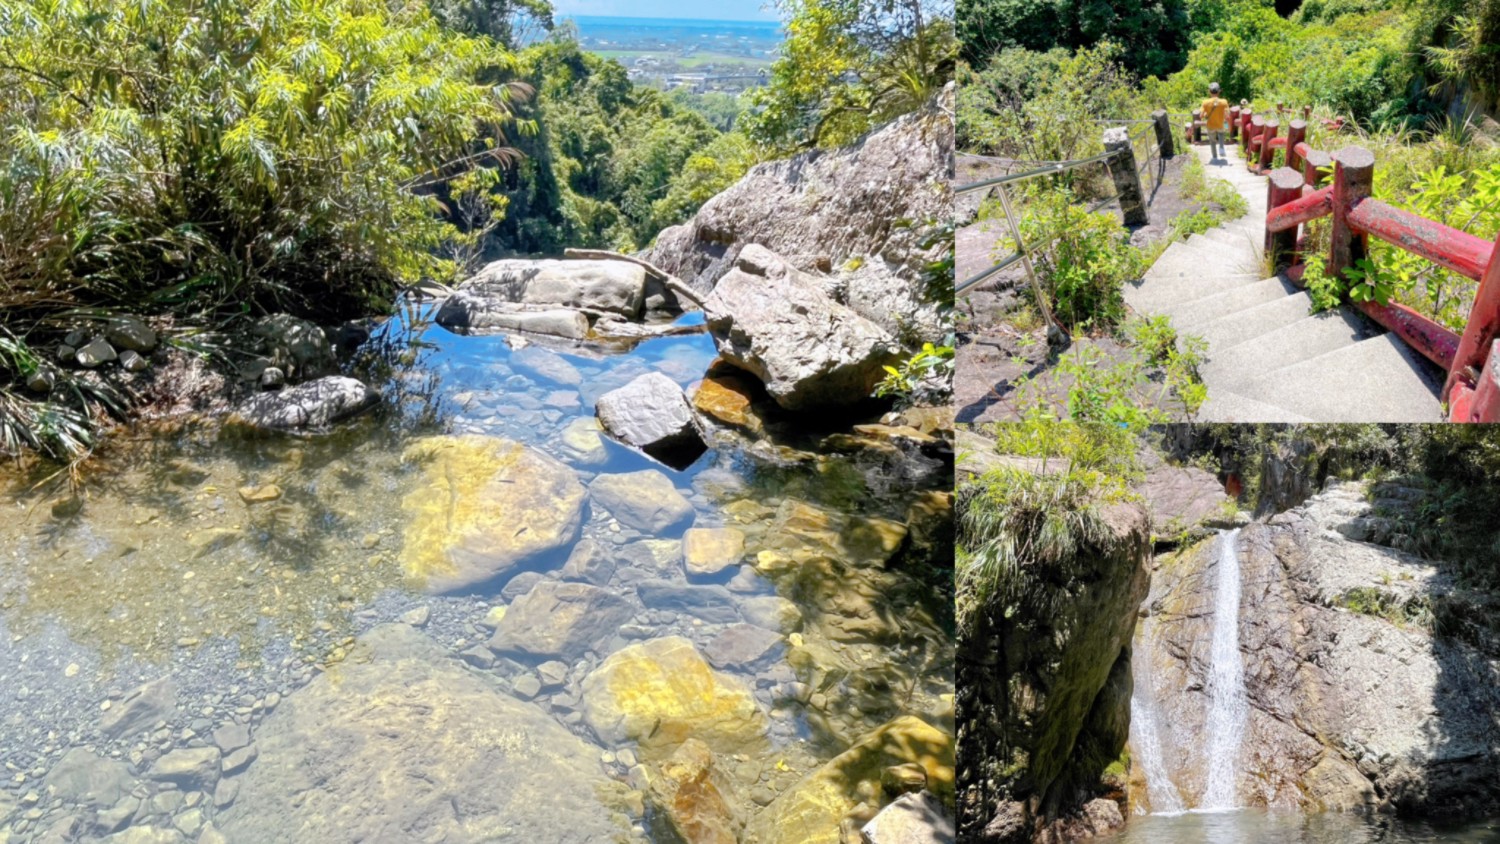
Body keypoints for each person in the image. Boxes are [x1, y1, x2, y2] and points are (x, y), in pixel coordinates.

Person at [1201, 83, 1229, 162]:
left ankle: (1214, 156)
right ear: (1219, 91)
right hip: (1220, 124)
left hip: (1210, 125)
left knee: (1212, 141)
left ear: (1209, 91)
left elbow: (1201, 115)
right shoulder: (1224, 102)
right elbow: (1227, 115)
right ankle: (1221, 148)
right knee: (1221, 134)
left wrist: (1206, 114)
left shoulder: (1205, 102)